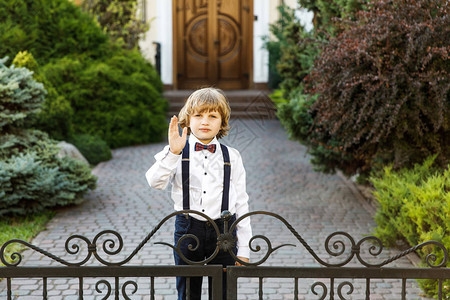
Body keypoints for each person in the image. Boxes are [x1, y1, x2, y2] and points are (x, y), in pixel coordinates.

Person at [145, 87, 252, 299]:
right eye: (198, 115)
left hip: (224, 231)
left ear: (222, 122)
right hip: (187, 227)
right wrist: (173, 153)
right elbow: (154, 182)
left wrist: (245, 248)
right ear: (188, 119)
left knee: (222, 292)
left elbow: (241, 202)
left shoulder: (232, 156)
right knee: (187, 292)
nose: (205, 122)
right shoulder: (176, 151)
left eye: (212, 116)